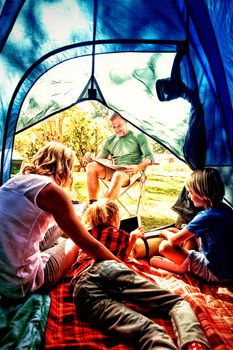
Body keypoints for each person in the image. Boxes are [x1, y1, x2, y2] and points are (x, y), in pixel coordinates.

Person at [70, 199, 210, 350]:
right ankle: (194, 344)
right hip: (108, 268)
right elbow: (123, 258)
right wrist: (132, 238)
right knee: (176, 303)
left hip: (82, 288)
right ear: (115, 218)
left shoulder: (85, 235)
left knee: (146, 331)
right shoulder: (119, 233)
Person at [0, 142, 119, 301]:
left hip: (3, 272)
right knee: (76, 239)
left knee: (65, 224)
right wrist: (124, 268)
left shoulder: (14, 181)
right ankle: (96, 231)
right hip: (18, 282)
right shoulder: (52, 191)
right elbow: (88, 245)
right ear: (66, 168)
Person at [150, 168, 233, 282]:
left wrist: (165, 233)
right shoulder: (226, 209)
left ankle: (182, 268)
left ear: (203, 194)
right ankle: (187, 263)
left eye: (191, 192)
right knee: (188, 236)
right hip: (228, 269)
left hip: (217, 272)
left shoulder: (205, 216)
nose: (188, 196)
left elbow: (174, 241)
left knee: (164, 246)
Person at [84, 112, 155, 203]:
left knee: (118, 174)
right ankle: (92, 203)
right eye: (114, 126)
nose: (117, 129)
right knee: (91, 166)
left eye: (119, 125)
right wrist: (90, 158)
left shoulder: (138, 136)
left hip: (131, 172)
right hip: (115, 170)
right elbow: (99, 159)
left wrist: (138, 167)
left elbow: (150, 157)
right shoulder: (110, 140)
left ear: (126, 122)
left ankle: (100, 209)